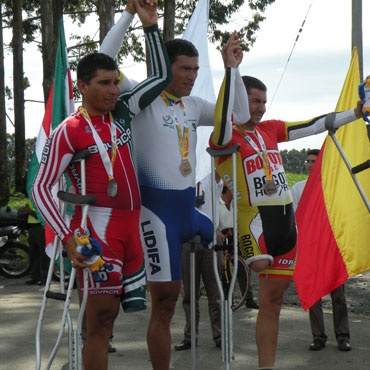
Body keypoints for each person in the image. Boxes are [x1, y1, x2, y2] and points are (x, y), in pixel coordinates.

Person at [100, 12, 249, 367]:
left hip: (188, 209)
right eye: (185, 69)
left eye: (196, 70)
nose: (192, 77)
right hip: (155, 212)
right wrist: (128, 16)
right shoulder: (139, 94)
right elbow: (104, 59)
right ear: (166, 68)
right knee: (165, 303)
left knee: (196, 294)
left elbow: (239, 114)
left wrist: (233, 69)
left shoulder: (192, 106)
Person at [31, 1, 172, 369]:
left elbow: (160, 79)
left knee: (127, 316)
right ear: (82, 86)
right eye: (104, 83)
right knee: (102, 322)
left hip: (132, 227)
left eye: (115, 82)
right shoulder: (70, 130)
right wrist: (65, 236)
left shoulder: (123, 110)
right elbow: (41, 188)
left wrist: (150, 26)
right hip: (97, 228)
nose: (113, 90)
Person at [210, 73, 364, 370]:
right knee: (260, 275)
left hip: (286, 226)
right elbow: (221, 120)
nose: (261, 108)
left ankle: (266, 366)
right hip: (255, 225)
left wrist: (355, 113)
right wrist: (230, 71)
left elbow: (315, 124)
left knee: (274, 304)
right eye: (255, 101)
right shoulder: (226, 135)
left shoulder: (270, 129)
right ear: (240, 101)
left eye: (264, 102)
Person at [291, 149, 351, 352]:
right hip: (310, 249)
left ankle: (343, 337)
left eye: (313, 161)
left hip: (332, 249)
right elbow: (294, 219)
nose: (309, 164)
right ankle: (318, 337)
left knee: (339, 297)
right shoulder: (298, 189)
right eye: (307, 161)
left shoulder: (332, 188)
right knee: (313, 295)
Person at [174, 172, 223, 351]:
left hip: (210, 240)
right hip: (187, 239)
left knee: (215, 294)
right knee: (189, 294)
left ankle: (219, 336)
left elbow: (220, 171)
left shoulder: (210, 172)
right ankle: (190, 336)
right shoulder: (183, 175)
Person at [219, 185, 259, 309]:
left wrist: (238, 234)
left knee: (243, 269)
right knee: (225, 271)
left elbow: (238, 222)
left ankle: (248, 298)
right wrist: (218, 233)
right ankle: (227, 298)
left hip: (234, 237)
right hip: (221, 239)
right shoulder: (217, 203)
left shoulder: (234, 206)